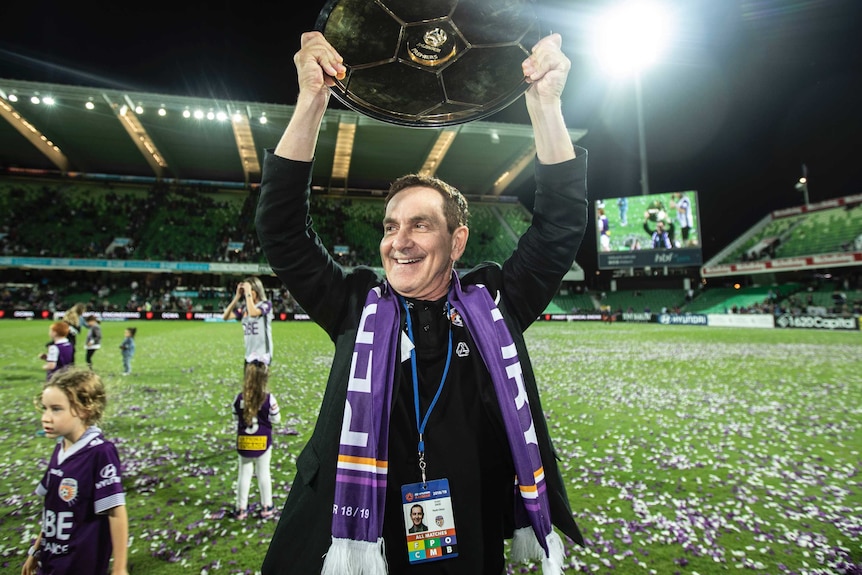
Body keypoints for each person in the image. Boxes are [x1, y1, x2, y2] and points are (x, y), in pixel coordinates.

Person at [255, 31, 585, 575]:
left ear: (457, 242)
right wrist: (311, 99)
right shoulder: (354, 303)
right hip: (360, 541)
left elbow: (560, 227)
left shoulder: (495, 302)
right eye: (390, 227)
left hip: (466, 539)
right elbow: (282, 231)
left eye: (420, 225)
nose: (398, 241)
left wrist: (546, 106)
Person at [22, 368, 129, 575]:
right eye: (44, 408)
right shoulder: (61, 449)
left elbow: (116, 512)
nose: (46, 417)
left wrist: (119, 568)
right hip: (51, 561)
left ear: (84, 410)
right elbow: (52, 510)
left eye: (56, 409)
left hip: (80, 564)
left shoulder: (100, 452)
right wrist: (36, 550)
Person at [233, 355, 281, 520]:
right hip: (262, 443)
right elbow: (276, 418)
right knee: (263, 474)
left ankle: (241, 508)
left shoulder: (239, 397)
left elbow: (235, 417)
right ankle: (267, 506)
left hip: (244, 442)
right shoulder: (268, 398)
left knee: (244, 475)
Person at [222, 277, 275, 366]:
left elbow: (253, 313)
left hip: (262, 355)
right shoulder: (244, 309)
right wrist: (237, 297)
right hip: (249, 355)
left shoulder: (266, 304)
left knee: (258, 380)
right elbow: (225, 317)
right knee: (248, 380)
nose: (246, 294)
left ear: (256, 290)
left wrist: (248, 293)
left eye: (250, 291)